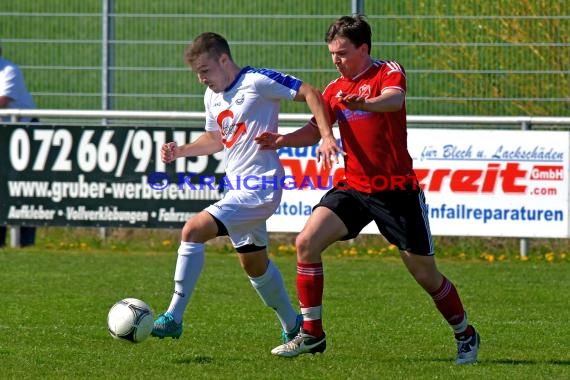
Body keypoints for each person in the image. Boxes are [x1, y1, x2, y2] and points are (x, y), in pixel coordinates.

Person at [256, 15, 480, 364]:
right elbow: (316, 130)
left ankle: (465, 333)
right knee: (306, 243)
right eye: (332, 53)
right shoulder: (333, 90)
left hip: (397, 193)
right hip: (354, 189)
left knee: (426, 275)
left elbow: (393, 100)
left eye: (343, 52)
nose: (336, 59)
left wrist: (364, 103)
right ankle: (312, 334)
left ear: (364, 48)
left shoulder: (387, 72)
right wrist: (281, 140)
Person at [151, 32, 339, 346]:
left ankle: (174, 316)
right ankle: (293, 324)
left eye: (205, 70)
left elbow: (310, 92)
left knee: (192, 230)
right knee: (254, 264)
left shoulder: (257, 81)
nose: (202, 79)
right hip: (238, 188)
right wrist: (180, 151)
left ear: (224, 60)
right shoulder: (212, 96)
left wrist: (325, 136)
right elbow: (214, 140)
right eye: (198, 73)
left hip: (261, 187)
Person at [0, 42, 37, 248]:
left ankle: (24, 243)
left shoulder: (8, 70)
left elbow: (3, 102)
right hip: (4, 135)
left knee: (24, 190)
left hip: (23, 136)